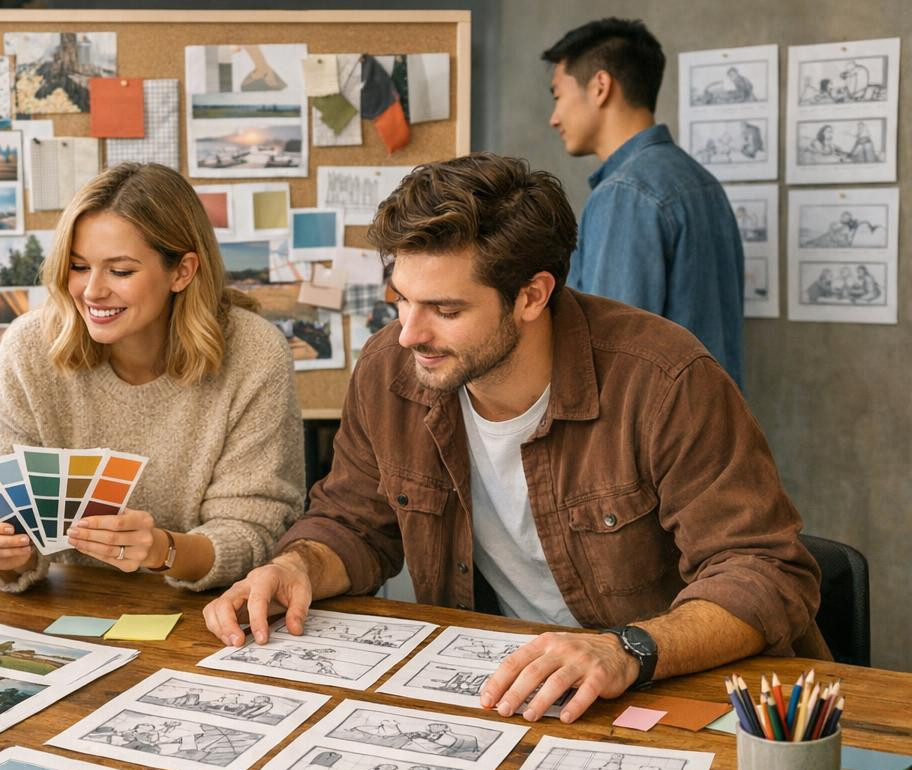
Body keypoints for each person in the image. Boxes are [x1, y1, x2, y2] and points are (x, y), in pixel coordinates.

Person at [203, 154, 826, 725]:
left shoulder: (664, 380)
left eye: (446, 310)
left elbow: (765, 572)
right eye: (401, 301)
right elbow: (353, 523)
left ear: (532, 296)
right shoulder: (390, 371)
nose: (409, 333)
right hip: (505, 690)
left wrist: (625, 650)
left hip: (672, 691)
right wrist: (297, 565)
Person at [0, 162, 303, 592]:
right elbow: (2, 526)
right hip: (72, 601)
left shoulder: (255, 353)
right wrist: (6, 553)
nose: (92, 291)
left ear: (182, 271)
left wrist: (163, 550)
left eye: (120, 271)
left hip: (211, 608)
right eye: (78, 266)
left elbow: (254, 530)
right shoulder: (28, 347)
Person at [542, 18, 746, 387]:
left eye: (558, 96)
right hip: (714, 412)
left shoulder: (626, 193)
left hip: (656, 419)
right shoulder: (701, 181)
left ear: (600, 86)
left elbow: (611, 356)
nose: (554, 118)